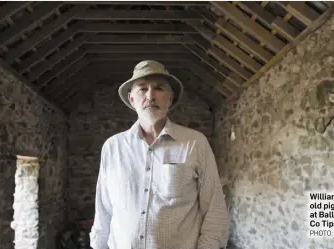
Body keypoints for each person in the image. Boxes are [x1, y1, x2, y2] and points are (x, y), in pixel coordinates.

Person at [89, 60, 229, 249]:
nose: (150, 96)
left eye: (159, 88)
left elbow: (215, 212)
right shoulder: (112, 147)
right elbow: (103, 212)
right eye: (142, 89)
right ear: (132, 99)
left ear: (170, 99)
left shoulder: (195, 143)